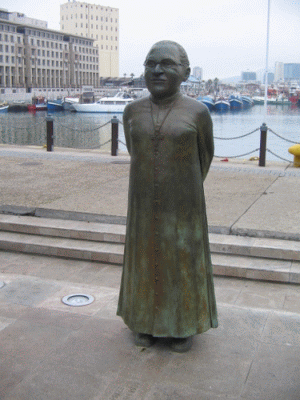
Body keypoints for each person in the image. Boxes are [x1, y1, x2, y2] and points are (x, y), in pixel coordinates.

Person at [117, 40, 218, 352]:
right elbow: (136, 152)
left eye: (166, 64)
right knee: (143, 259)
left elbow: (205, 156)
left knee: (181, 262)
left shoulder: (198, 113)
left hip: (183, 205)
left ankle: (181, 326)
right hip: (142, 203)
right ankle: (143, 322)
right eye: (150, 64)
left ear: (184, 72)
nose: (157, 70)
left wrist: (181, 190)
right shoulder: (132, 111)